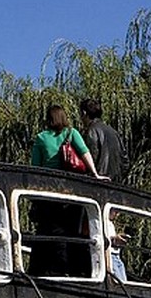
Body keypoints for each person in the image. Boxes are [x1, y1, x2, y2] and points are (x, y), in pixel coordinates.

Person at [28, 105, 101, 278]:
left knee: (49, 230)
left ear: (48, 119)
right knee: (70, 230)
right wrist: (96, 175)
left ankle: (47, 269)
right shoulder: (71, 133)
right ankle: (71, 269)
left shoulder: (41, 138)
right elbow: (85, 153)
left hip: (48, 192)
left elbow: (35, 167)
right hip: (71, 192)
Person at [79, 98, 128, 180]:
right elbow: (125, 161)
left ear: (84, 113)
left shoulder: (91, 131)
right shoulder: (114, 132)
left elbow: (91, 157)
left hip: (98, 182)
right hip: (115, 183)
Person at [104, 208, 128, 282]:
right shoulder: (104, 223)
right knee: (119, 282)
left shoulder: (111, 224)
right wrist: (114, 239)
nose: (117, 215)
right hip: (111, 256)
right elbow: (105, 239)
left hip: (117, 256)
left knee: (124, 281)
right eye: (116, 212)